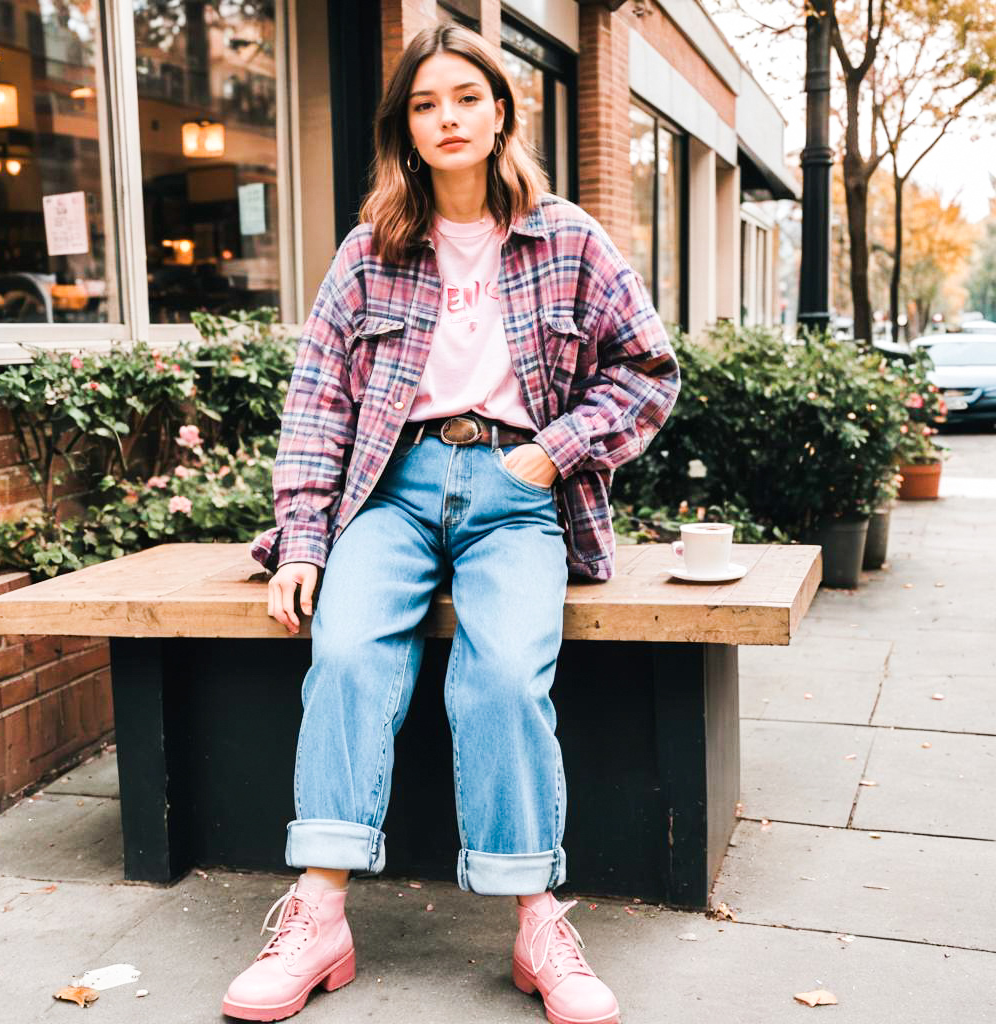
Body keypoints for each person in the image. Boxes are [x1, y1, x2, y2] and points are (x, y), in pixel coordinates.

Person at [222, 23, 680, 1024]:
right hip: (392, 487)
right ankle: (319, 911)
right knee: (342, 653)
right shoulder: (369, 250)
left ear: (500, 108)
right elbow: (317, 405)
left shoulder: (566, 236)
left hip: (516, 492)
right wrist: (303, 542)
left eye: (464, 98)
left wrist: (546, 453)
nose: (447, 119)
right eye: (425, 105)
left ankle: (535, 921)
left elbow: (646, 370)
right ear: (405, 128)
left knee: (508, 674)